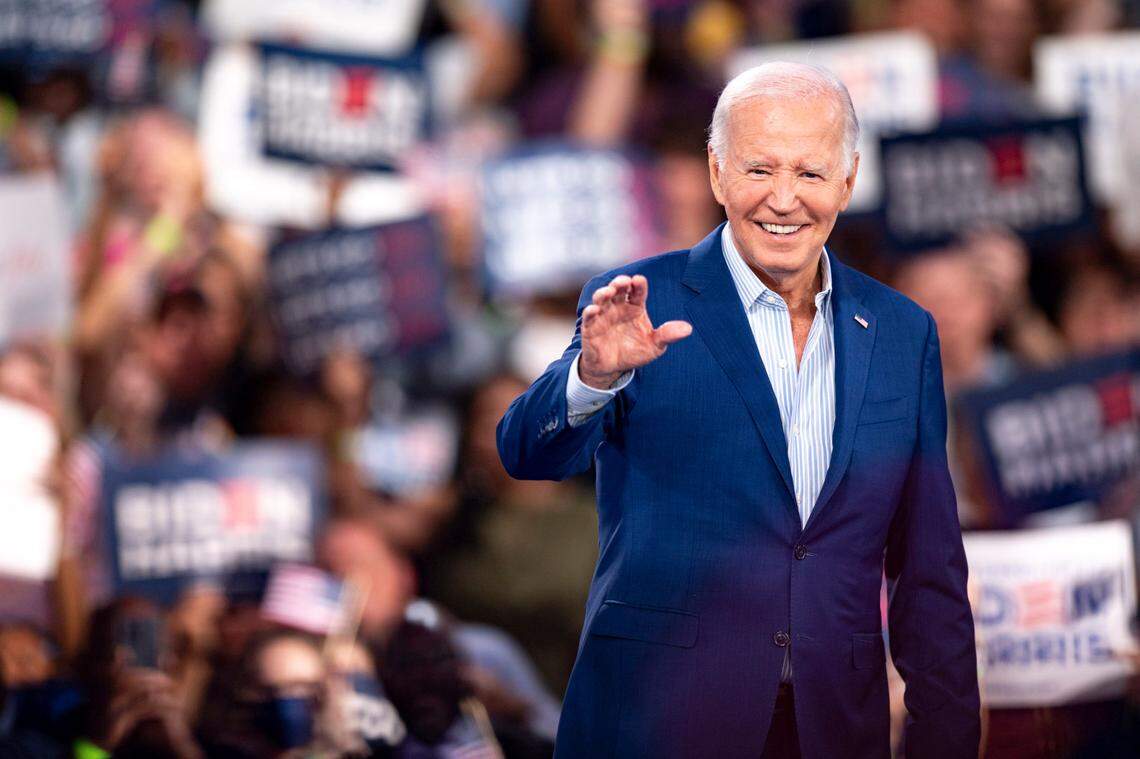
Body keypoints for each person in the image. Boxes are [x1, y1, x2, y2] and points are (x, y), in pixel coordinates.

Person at [496, 61, 980, 758]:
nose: (783, 199)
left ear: (846, 182)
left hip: (832, 729)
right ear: (717, 172)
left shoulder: (905, 332)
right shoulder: (637, 301)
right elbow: (525, 450)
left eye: (810, 174)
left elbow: (929, 573)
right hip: (655, 724)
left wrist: (947, 742)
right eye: (759, 170)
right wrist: (592, 375)